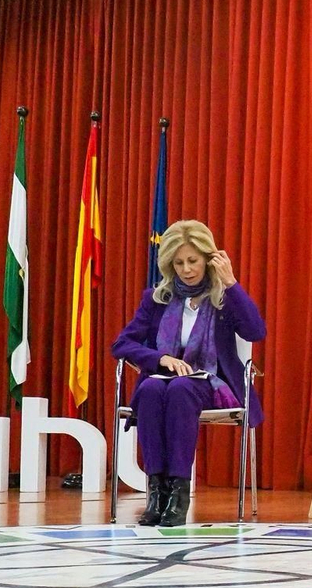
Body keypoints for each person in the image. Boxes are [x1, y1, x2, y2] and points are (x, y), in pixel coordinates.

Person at [111, 220, 266, 526]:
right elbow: (122, 344)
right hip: (164, 382)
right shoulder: (157, 298)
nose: (186, 269)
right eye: (178, 262)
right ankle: (157, 495)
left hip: (210, 382)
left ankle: (178, 496)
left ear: (208, 259)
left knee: (181, 390)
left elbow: (255, 331)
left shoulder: (223, 298)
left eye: (193, 261)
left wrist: (232, 283)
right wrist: (160, 358)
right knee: (153, 390)